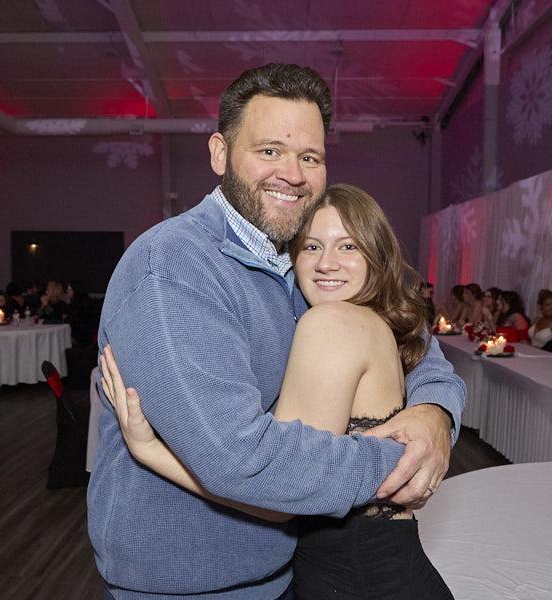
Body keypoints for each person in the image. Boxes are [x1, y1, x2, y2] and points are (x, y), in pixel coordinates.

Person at [88, 62, 465, 599]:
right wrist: (401, 459)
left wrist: (434, 413)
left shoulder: (301, 262)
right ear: (220, 153)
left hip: (287, 572)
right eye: (269, 150)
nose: (292, 173)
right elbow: (241, 462)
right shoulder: (175, 266)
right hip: (191, 586)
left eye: (309, 157)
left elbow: (412, 344)